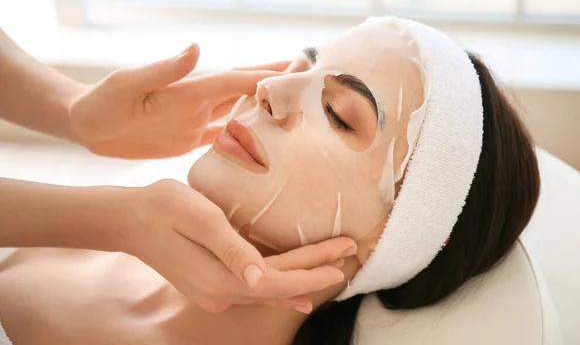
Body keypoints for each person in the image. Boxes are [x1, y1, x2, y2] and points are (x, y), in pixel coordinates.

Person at [0, 17, 540, 345]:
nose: (272, 91)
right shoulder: (87, 237)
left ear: (397, 231)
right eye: (299, 66)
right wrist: (69, 111)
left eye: (337, 113)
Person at [0, 27, 354, 318]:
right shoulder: (52, 261)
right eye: (293, 71)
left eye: (336, 114)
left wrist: (70, 108)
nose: (267, 89)